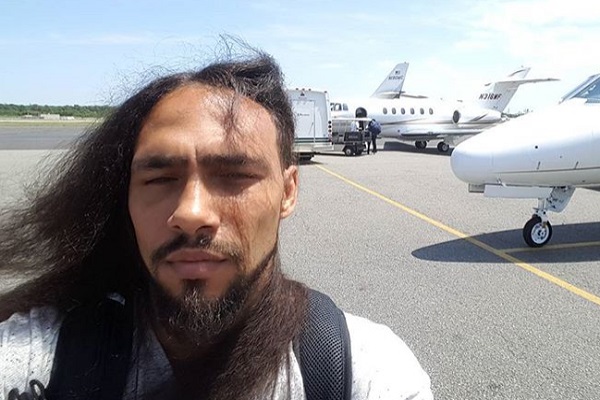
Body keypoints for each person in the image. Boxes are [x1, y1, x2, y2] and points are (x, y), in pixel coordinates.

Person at [0, 48, 433, 399]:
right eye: (159, 179)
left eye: (234, 175)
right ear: (125, 195)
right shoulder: (43, 358)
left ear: (288, 191)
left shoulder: (363, 372)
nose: (191, 212)